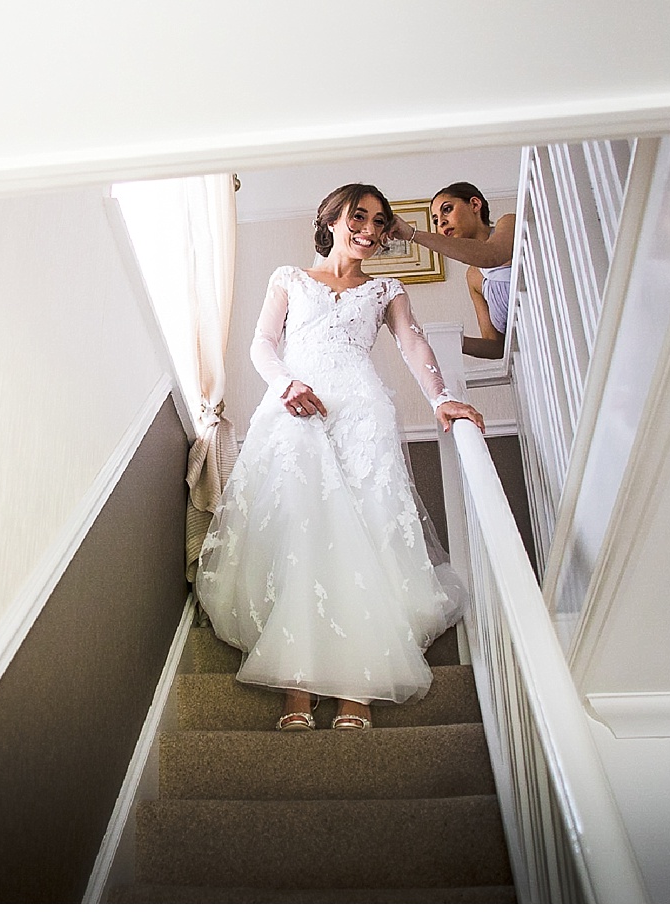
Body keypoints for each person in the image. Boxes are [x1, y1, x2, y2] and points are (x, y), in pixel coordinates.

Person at [196, 183, 484, 732]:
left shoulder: (386, 288)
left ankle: (358, 691)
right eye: (359, 217)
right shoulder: (289, 278)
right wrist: (284, 385)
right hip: (296, 409)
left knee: (367, 535)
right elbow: (262, 343)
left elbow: (415, 344)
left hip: (360, 413)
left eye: (379, 223)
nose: (369, 231)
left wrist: (442, 397)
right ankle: (297, 691)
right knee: (300, 534)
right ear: (331, 219)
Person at [427, 182, 514, 359]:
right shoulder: (473, 276)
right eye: (435, 220)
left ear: (475, 204)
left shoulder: (508, 223)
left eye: (447, 209)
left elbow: (492, 255)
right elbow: (496, 346)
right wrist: (449, 341)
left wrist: (413, 235)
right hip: (534, 356)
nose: (441, 222)